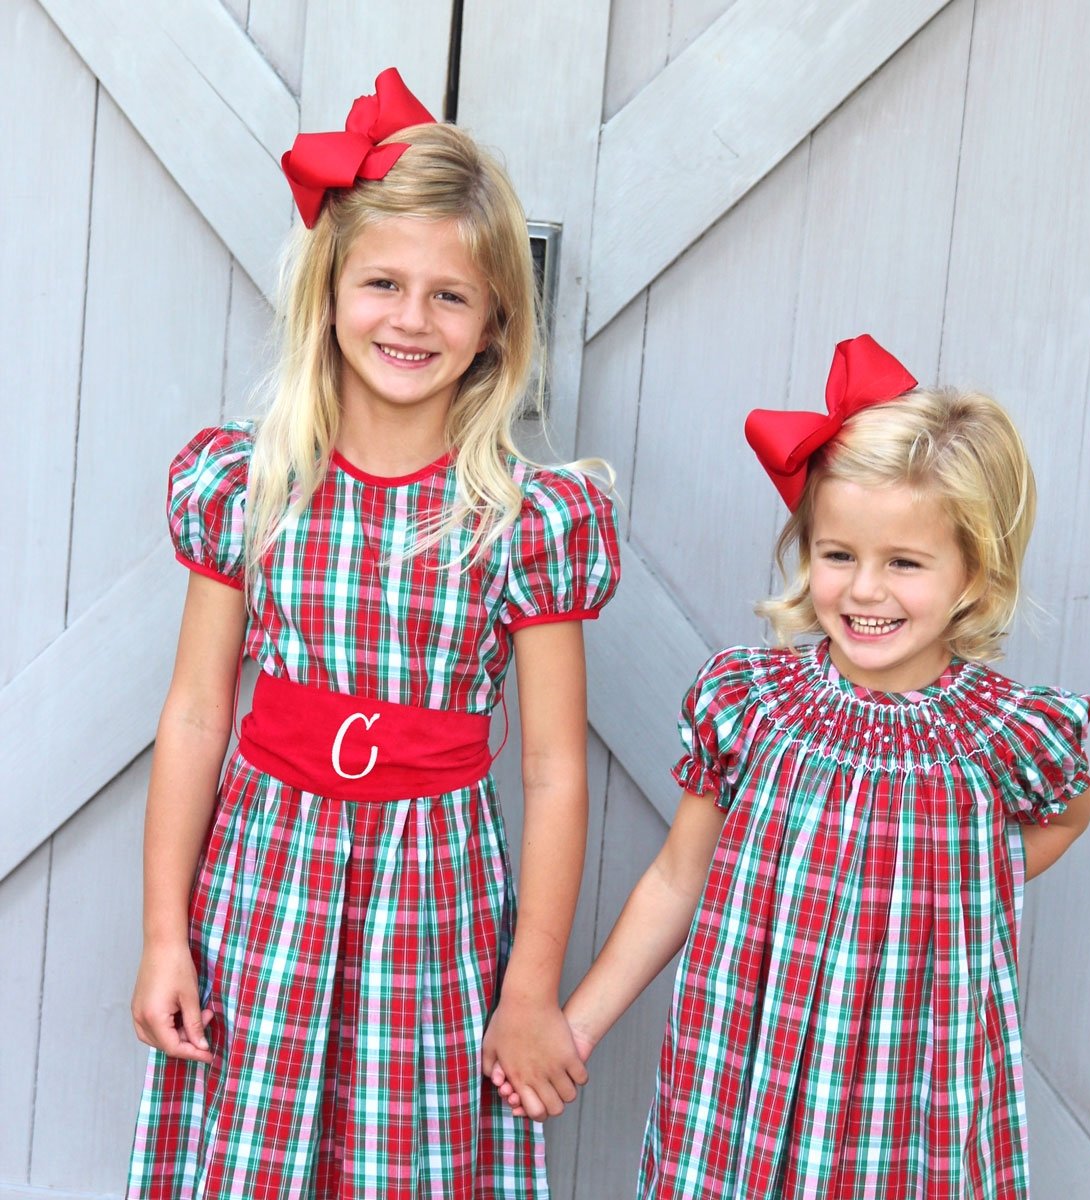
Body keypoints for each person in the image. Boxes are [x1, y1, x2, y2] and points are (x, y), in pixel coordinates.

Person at [126, 68, 618, 1199]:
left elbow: (552, 769)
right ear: (329, 292)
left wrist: (532, 987)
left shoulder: (523, 520)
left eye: (452, 295)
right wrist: (165, 932)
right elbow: (200, 711)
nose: (412, 318)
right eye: (384, 282)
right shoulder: (251, 485)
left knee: (411, 1156)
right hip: (266, 881)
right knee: (253, 1146)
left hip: (430, 889)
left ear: (498, 319)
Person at [500, 334, 1090, 1198]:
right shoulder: (754, 704)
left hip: (907, 1085)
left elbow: (1065, 817)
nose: (864, 590)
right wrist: (575, 1026)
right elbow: (678, 878)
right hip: (749, 1067)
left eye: (905, 563)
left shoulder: (1005, 733)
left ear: (973, 572)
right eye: (839, 555)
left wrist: (943, 886)